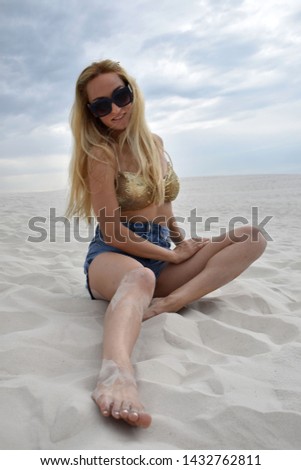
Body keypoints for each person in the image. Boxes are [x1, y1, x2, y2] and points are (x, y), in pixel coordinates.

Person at [66, 59, 267, 428]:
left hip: (161, 251)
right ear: (91, 113)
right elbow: (111, 231)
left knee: (251, 237)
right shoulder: (101, 153)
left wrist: (181, 241)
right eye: (101, 105)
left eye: (120, 96)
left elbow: (163, 205)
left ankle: (173, 301)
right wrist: (171, 255)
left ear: (133, 92)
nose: (115, 109)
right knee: (140, 278)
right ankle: (117, 375)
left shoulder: (155, 143)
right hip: (115, 256)